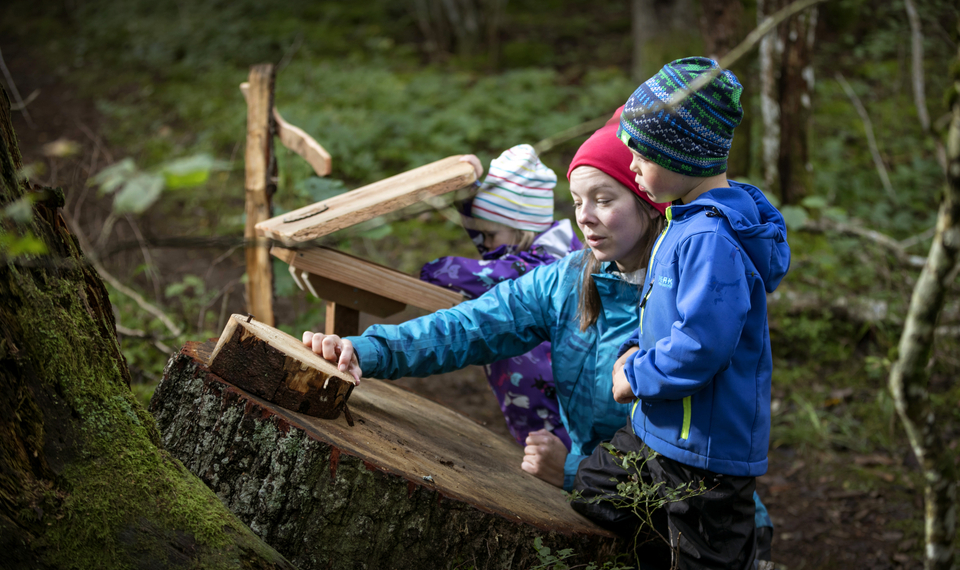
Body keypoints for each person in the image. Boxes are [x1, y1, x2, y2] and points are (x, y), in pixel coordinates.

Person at [301, 107, 774, 560]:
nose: (584, 216)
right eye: (576, 202)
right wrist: (365, 350)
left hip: (698, 521)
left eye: (604, 200)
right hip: (607, 500)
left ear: (650, 204)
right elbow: (472, 326)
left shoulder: (689, 291)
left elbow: (687, 434)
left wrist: (571, 471)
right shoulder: (567, 280)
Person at [571, 58, 790, 569]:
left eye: (639, 154)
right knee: (594, 489)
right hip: (658, 434)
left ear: (682, 158)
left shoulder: (712, 239)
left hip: (705, 454)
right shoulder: (683, 220)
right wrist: (633, 351)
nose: (631, 165)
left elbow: (701, 347)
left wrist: (637, 376)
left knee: (706, 560)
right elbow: (671, 320)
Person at [420, 144, 580, 449]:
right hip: (532, 403)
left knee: (553, 466)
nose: (486, 244)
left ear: (521, 228)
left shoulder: (543, 264)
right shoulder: (531, 244)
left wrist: (434, 269)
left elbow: (480, 273)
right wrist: (466, 189)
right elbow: (485, 229)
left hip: (557, 410)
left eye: (492, 235)